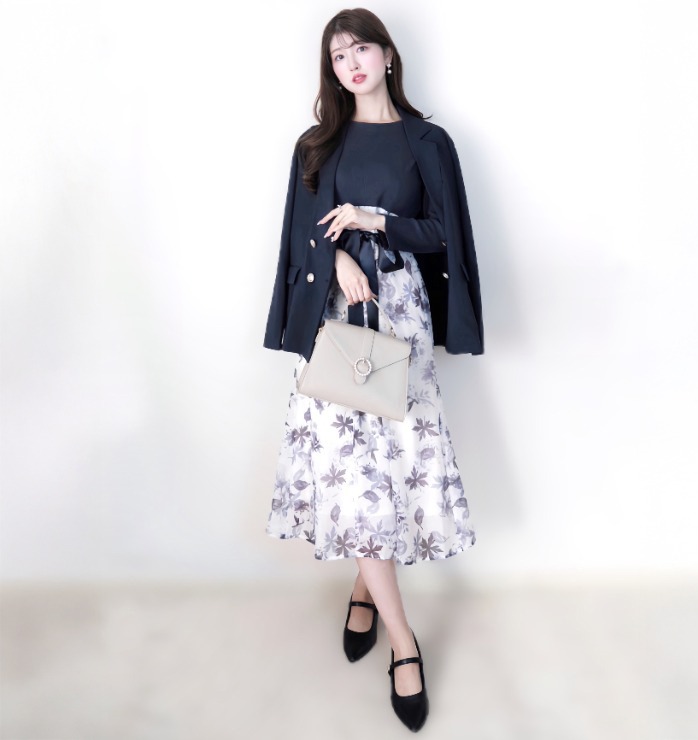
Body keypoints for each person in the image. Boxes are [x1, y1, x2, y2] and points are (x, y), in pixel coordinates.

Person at [263, 8, 484, 732]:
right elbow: (300, 232)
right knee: (351, 476)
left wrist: (372, 221)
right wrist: (336, 256)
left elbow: (444, 232)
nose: (351, 63)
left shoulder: (428, 141)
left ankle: (365, 591)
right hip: (336, 323)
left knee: (392, 468)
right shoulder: (317, 143)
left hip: (400, 319)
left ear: (388, 56)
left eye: (361, 48)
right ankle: (404, 642)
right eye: (338, 56)